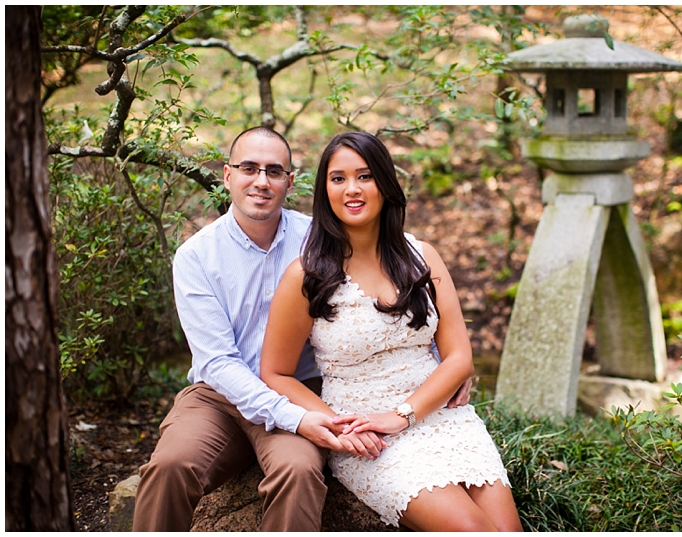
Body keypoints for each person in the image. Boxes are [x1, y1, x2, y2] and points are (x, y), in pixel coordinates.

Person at [132, 126, 470, 531]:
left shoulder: (320, 238)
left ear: (290, 183)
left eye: (274, 171)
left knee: (297, 471)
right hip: (219, 396)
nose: (261, 181)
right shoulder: (196, 257)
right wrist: (291, 418)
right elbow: (218, 362)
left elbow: (384, 306)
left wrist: (446, 367)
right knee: (170, 465)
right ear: (227, 175)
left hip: (301, 388)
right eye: (249, 169)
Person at [260, 131, 523, 531]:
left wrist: (402, 415)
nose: (352, 189)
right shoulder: (306, 275)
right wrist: (337, 426)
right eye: (338, 178)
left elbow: (459, 358)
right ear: (323, 189)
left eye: (365, 176)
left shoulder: (422, 257)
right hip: (367, 434)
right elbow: (275, 373)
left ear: (385, 183)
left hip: (443, 419)